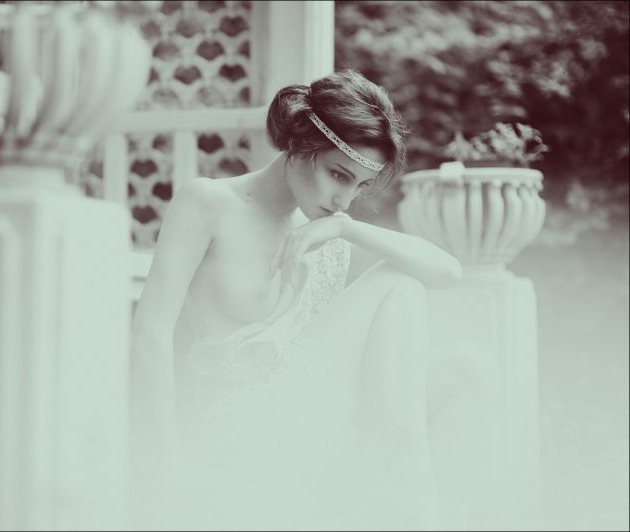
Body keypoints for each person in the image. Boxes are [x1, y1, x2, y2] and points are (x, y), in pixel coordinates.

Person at [129, 69, 464, 530]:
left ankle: (403, 496)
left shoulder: (327, 233)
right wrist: (166, 464)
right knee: (399, 285)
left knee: (469, 366)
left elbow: (449, 273)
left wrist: (346, 229)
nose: (343, 199)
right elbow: (149, 334)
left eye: (359, 186)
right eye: (338, 175)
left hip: (314, 419)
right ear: (301, 144)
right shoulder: (210, 203)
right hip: (239, 418)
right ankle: (405, 504)